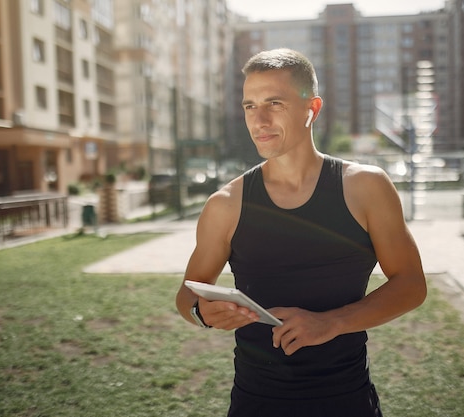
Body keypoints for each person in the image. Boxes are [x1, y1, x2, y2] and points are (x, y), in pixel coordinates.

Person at [175, 48, 426, 417]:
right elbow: (186, 294)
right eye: (249, 106)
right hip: (255, 403)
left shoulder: (365, 187)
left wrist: (331, 322)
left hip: (346, 400)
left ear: (313, 108)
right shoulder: (225, 204)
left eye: (274, 102)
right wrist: (202, 312)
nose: (258, 120)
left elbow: (412, 285)